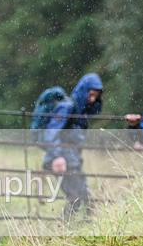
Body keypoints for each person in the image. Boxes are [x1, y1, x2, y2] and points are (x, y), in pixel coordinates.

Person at [42, 73, 103, 221]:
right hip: (61, 160)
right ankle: (63, 229)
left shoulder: (82, 111)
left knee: (85, 196)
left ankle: (85, 227)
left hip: (73, 161)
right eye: (91, 94)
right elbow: (51, 133)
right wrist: (57, 157)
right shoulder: (67, 107)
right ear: (84, 90)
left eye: (96, 96)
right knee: (75, 197)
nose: (92, 99)